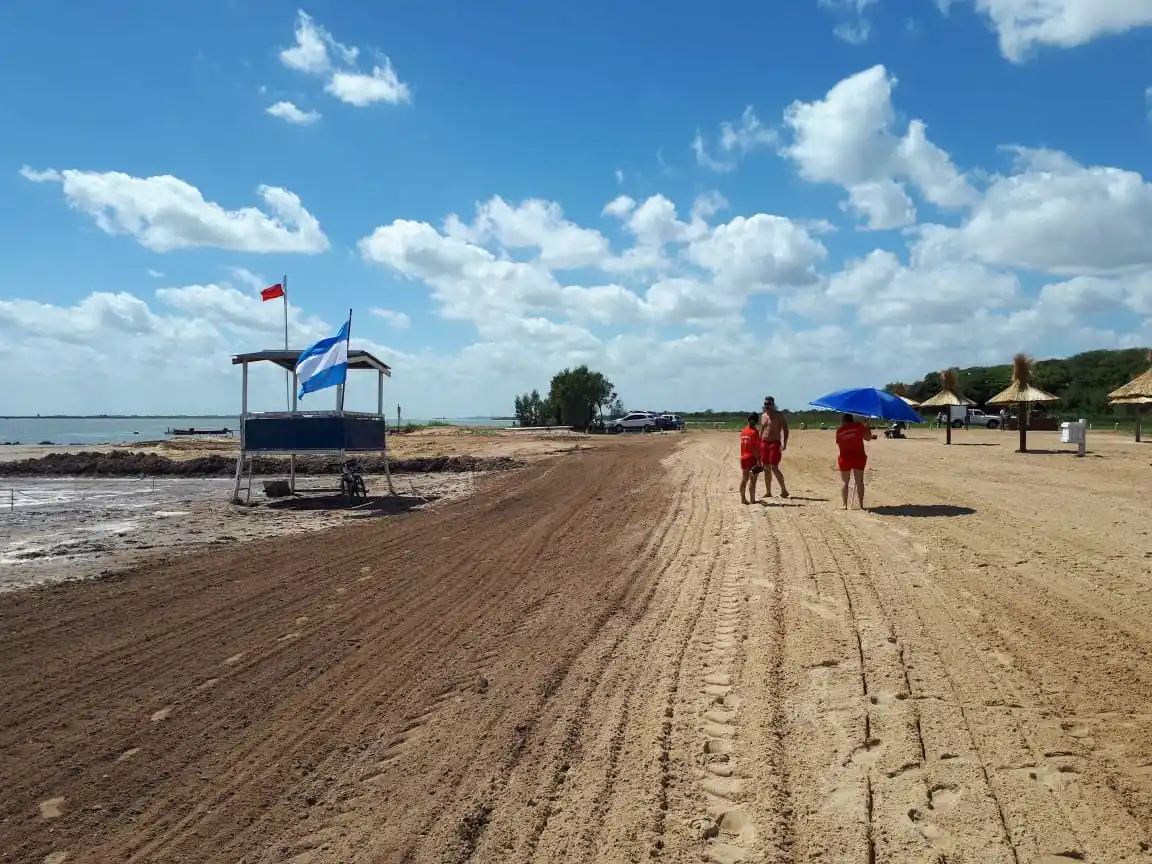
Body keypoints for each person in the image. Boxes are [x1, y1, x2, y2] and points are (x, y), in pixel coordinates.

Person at [836, 413, 874, 510]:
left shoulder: (839, 431)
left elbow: (840, 446)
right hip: (859, 456)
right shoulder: (859, 426)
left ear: (843, 421)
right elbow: (868, 438)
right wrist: (867, 426)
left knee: (845, 482)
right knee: (859, 481)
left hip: (845, 458)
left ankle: (844, 504)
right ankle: (861, 504)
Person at [758, 396, 790, 498]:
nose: (767, 406)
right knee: (766, 468)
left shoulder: (779, 415)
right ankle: (768, 492)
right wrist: (759, 444)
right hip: (764, 443)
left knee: (774, 467)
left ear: (773, 405)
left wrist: (784, 443)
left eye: (769, 404)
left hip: (774, 443)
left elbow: (785, 430)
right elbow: (761, 430)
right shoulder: (763, 416)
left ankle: (784, 490)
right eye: (765, 404)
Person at [739, 412, 761, 504]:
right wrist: (759, 460)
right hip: (752, 458)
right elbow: (755, 448)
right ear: (756, 421)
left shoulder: (743, 431)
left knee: (744, 479)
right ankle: (752, 499)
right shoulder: (755, 432)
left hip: (743, 457)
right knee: (753, 480)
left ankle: (743, 499)